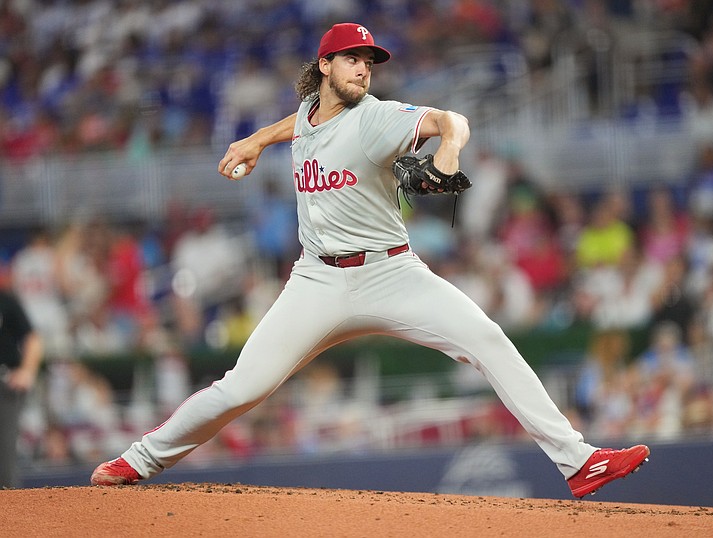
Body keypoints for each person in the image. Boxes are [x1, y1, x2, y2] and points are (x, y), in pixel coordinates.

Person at [91, 22, 649, 498]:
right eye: (353, 60)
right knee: (241, 388)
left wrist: (448, 152)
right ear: (325, 66)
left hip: (391, 272)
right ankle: (138, 461)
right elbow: (302, 124)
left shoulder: (376, 117)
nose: (363, 69)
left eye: (369, 61)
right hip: (317, 281)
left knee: (487, 339)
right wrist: (257, 140)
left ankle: (578, 462)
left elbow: (451, 120)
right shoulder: (312, 113)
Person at [0, 285, 44, 488]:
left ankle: (7, 514)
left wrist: (27, 371)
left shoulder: (6, 300)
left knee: (3, 456)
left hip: (4, 383)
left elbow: (32, 339)